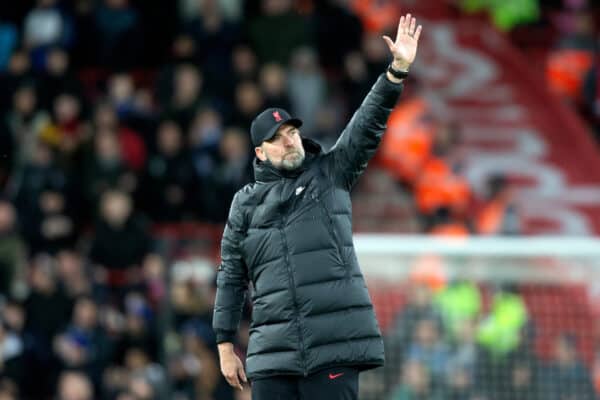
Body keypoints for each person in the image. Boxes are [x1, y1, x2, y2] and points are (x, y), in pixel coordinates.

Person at [212, 13, 422, 400]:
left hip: (333, 348)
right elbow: (231, 277)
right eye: (279, 137)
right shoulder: (243, 205)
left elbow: (366, 124)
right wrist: (225, 344)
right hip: (274, 354)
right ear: (261, 152)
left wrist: (395, 73)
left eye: (292, 131)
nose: (290, 140)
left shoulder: (331, 172)